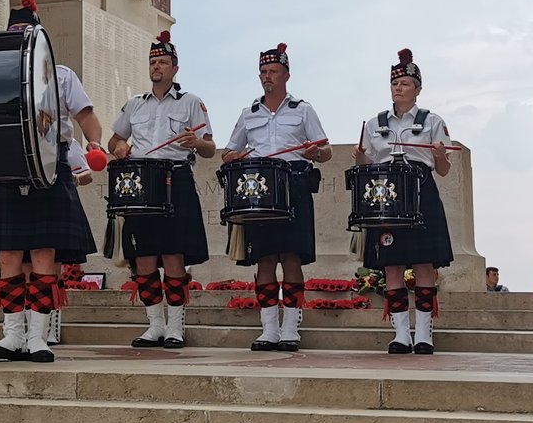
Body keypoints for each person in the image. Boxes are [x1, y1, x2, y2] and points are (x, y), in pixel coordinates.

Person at [0, 0, 103, 363]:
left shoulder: (61, 75)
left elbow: (87, 118)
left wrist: (94, 142)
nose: (22, 37)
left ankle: (38, 337)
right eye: (16, 32)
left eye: (28, 31)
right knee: (8, 255)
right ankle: (12, 336)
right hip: (7, 169)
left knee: (43, 254)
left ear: (39, 35)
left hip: (50, 169)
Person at [105, 30, 215, 349]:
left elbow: (209, 147)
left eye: (163, 62)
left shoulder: (191, 103)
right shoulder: (134, 105)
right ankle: (154, 325)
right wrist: (120, 146)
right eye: (153, 61)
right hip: (139, 182)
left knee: (173, 254)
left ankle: (175, 327)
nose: (157, 67)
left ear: (174, 68)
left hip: (174, 178)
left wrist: (196, 142)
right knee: (143, 257)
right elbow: (114, 140)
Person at [222, 42, 331, 352]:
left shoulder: (303, 110)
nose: (267, 77)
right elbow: (228, 152)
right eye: (263, 72)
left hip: (294, 183)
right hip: (259, 191)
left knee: (292, 257)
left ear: (286, 74)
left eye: (273, 71)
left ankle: (290, 328)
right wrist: (234, 157)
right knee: (265, 258)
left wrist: (315, 152)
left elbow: (326, 151)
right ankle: (269, 328)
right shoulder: (248, 113)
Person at [355, 48, 454, 355]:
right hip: (386, 195)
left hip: (421, 189)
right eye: (395, 84)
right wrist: (360, 158)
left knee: (425, 264)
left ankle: (424, 332)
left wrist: (439, 156)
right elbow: (366, 164)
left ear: (418, 89)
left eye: (405, 84)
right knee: (392, 265)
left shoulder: (432, 121)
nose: (399, 88)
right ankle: (400, 333)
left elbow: (444, 168)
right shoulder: (374, 123)